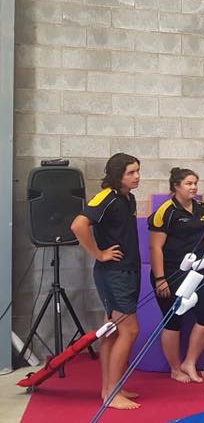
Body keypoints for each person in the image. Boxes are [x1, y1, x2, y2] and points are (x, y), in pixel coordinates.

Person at [70, 153, 142, 410]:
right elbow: (78, 226)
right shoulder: (106, 196)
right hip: (114, 273)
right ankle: (111, 392)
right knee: (130, 330)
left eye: (137, 171)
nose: (136, 177)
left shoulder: (127, 198)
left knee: (111, 330)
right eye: (130, 173)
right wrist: (98, 254)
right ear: (117, 175)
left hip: (128, 270)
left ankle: (111, 387)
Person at [147, 167, 204, 383]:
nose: (193, 187)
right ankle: (175, 368)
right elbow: (155, 248)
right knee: (173, 320)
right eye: (188, 183)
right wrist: (160, 278)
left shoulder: (202, 208)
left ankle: (189, 362)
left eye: (195, 183)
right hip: (171, 273)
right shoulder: (166, 211)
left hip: (197, 273)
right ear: (176, 186)